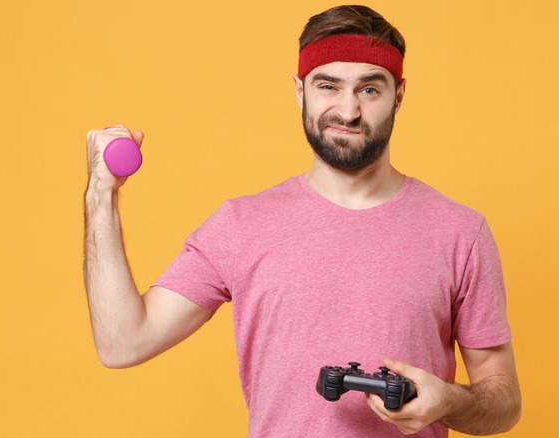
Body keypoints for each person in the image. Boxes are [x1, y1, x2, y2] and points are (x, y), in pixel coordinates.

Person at [84, 5, 521, 437]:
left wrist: (448, 401)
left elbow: (503, 404)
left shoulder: (460, 232)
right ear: (300, 91)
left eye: (370, 89)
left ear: (399, 95)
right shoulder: (241, 226)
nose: (347, 111)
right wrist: (101, 193)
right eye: (328, 86)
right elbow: (124, 343)